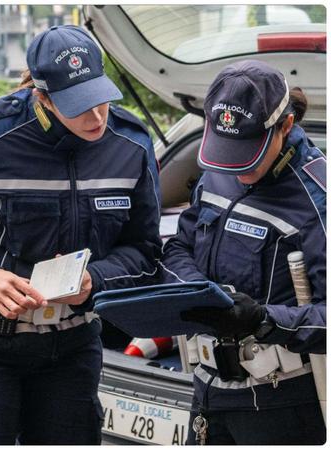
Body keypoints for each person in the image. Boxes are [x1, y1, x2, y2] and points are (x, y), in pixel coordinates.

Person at [0, 25, 161, 445]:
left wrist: (100, 278)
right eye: (78, 107)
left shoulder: (131, 145)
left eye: (101, 101)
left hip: (73, 351)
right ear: (43, 98)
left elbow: (145, 249)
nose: (95, 118)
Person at [161, 60, 326, 445]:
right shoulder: (217, 170)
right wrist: (196, 290)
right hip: (206, 389)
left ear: (285, 126)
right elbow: (181, 245)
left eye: (247, 150)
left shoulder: (318, 201)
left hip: (281, 402)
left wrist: (262, 320)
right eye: (226, 148)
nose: (235, 165)